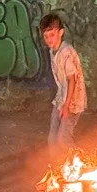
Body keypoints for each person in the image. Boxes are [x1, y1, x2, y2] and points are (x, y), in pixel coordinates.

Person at [40, 13, 87, 157]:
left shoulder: (66, 52)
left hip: (72, 102)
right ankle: (55, 166)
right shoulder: (53, 51)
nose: (49, 39)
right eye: (46, 36)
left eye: (52, 35)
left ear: (61, 32)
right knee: (52, 139)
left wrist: (66, 106)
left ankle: (84, 161)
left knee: (63, 139)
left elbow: (72, 80)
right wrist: (62, 103)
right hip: (61, 98)